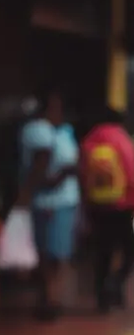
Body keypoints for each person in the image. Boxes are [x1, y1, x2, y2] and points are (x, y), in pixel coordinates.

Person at [18, 88, 80, 320]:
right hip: (49, 201)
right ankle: (49, 298)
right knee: (49, 253)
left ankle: (51, 297)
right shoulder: (39, 130)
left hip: (62, 201)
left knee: (56, 252)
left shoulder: (61, 131)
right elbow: (41, 164)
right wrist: (57, 177)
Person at [80, 107, 134, 311]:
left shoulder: (89, 141)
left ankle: (102, 296)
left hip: (96, 205)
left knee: (102, 251)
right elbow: (132, 175)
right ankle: (115, 283)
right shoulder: (122, 140)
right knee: (132, 248)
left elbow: (83, 174)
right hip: (122, 204)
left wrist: (86, 203)